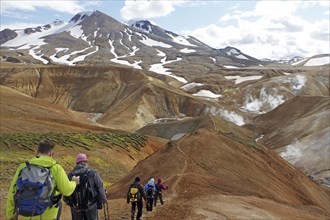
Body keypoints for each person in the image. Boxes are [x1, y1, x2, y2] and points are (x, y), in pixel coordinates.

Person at [6, 139, 80, 220]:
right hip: (48, 215)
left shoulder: (23, 167)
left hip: (26, 214)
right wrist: (74, 182)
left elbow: (13, 191)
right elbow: (66, 190)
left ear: (37, 151)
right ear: (51, 153)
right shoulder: (55, 168)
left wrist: (11, 214)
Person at [66, 153, 107, 220]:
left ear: (77, 163)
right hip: (91, 205)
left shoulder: (70, 175)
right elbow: (100, 186)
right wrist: (103, 199)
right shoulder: (92, 173)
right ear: (85, 162)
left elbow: (66, 191)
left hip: (76, 207)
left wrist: (70, 203)